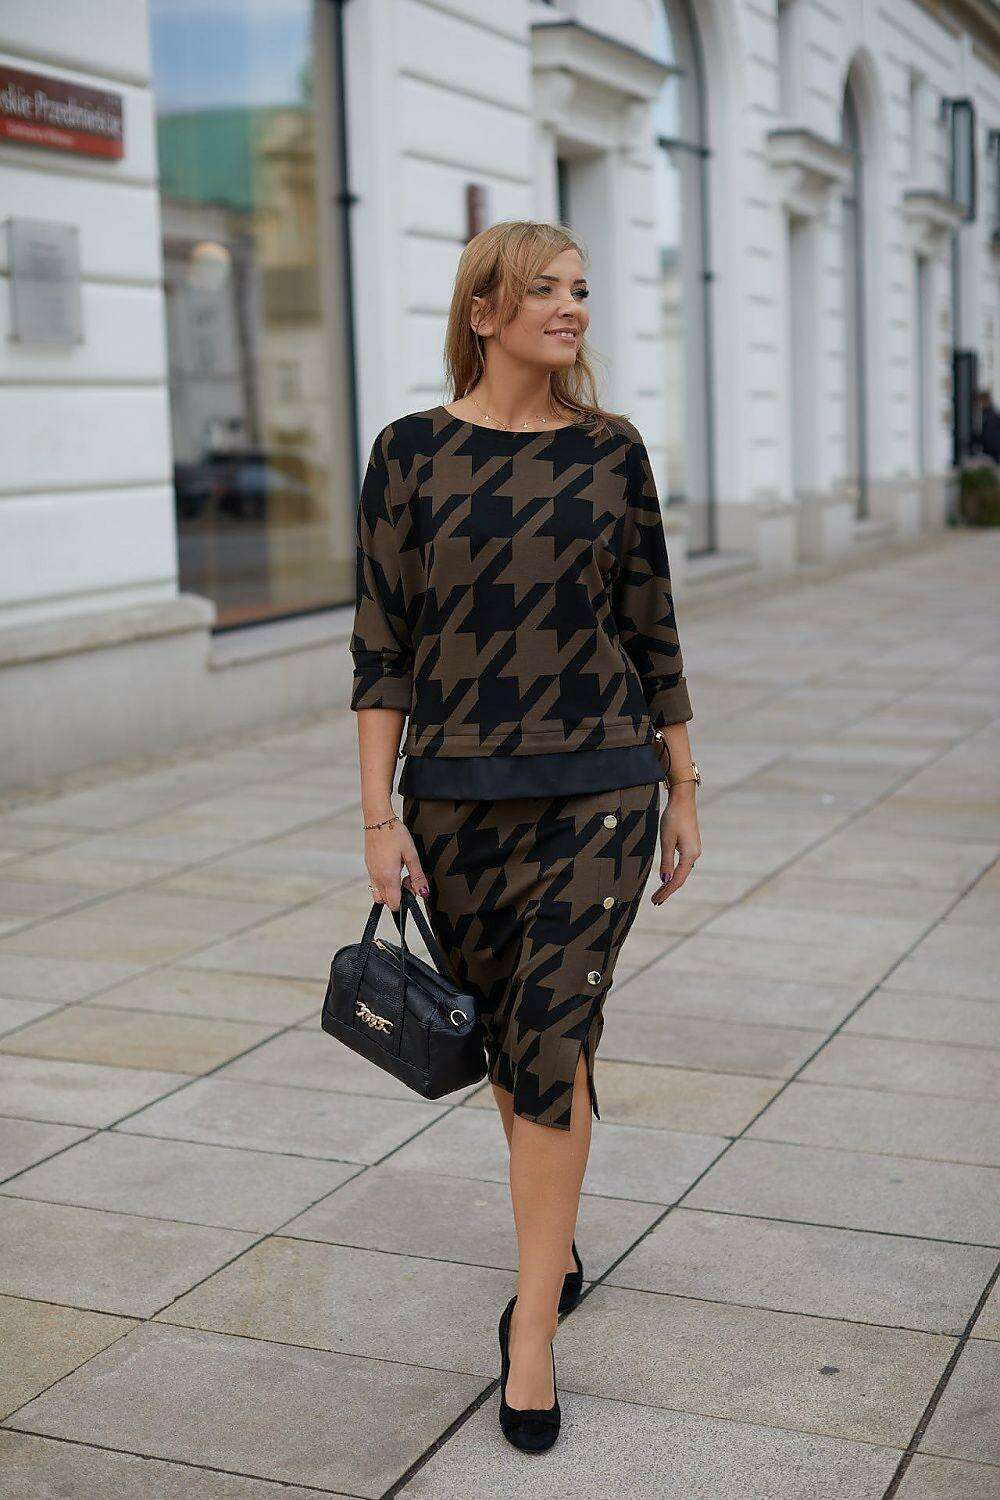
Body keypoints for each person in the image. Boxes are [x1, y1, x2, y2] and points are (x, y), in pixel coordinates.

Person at [349, 219, 701, 1452]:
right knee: (512, 1043)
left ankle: (532, 1334)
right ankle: (554, 1245)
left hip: (600, 787)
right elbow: (381, 648)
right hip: (454, 798)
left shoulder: (611, 451)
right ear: (483, 311)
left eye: (581, 289)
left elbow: (651, 627)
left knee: (549, 1039)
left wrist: (683, 785)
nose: (571, 308)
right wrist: (378, 815)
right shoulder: (408, 454)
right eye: (544, 289)